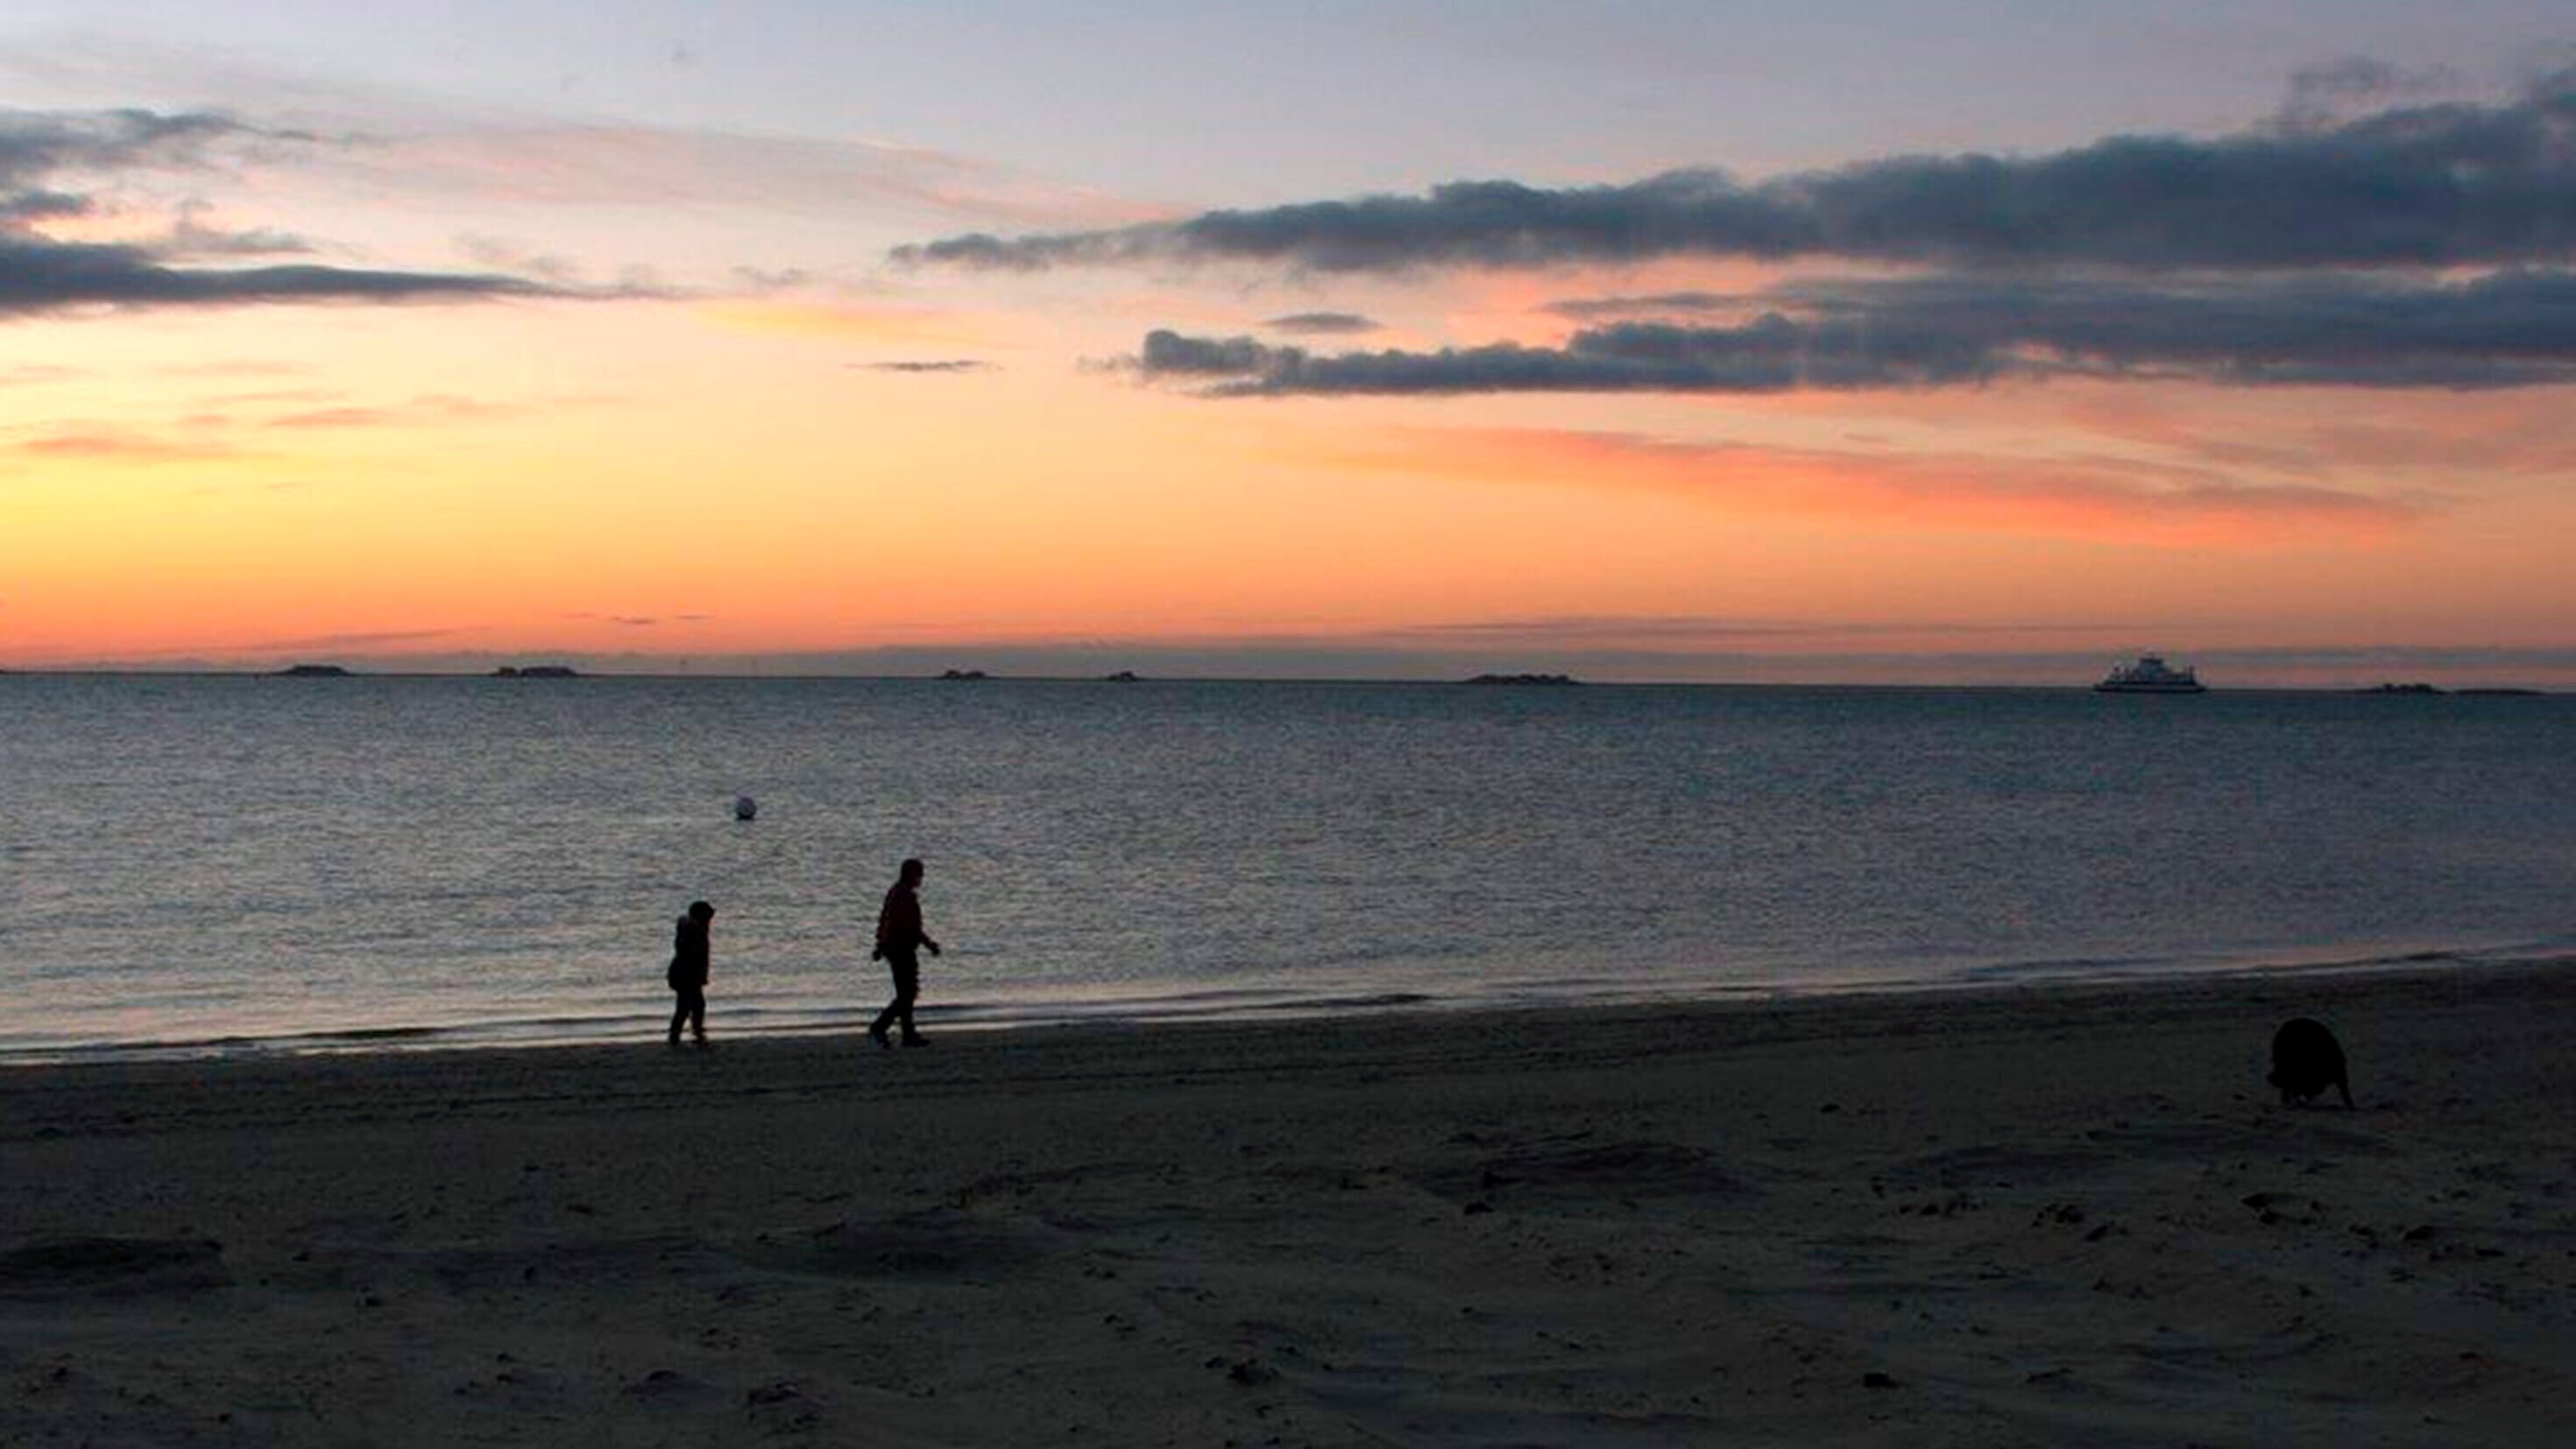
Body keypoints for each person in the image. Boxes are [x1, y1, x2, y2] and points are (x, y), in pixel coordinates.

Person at [868, 859, 942, 1048]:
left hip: (895, 947)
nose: (922, 878)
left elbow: (884, 921)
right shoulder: (904, 896)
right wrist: (929, 944)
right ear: (911, 874)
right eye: (920, 874)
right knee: (908, 993)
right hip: (901, 948)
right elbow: (909, 927)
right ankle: (879, 1027)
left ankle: (908, 1035)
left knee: (906, 992)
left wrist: (879, 945)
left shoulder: (895, 892)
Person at [667, 900, 715, 1045]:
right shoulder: (693, 930)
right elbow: (691, 955)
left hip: (687, 973)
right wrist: (697, 976)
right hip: (686, 974)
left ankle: (692, 1033)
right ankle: (682, 1035)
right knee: (687, 1006)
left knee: (693, 1006)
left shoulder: (695, 929)